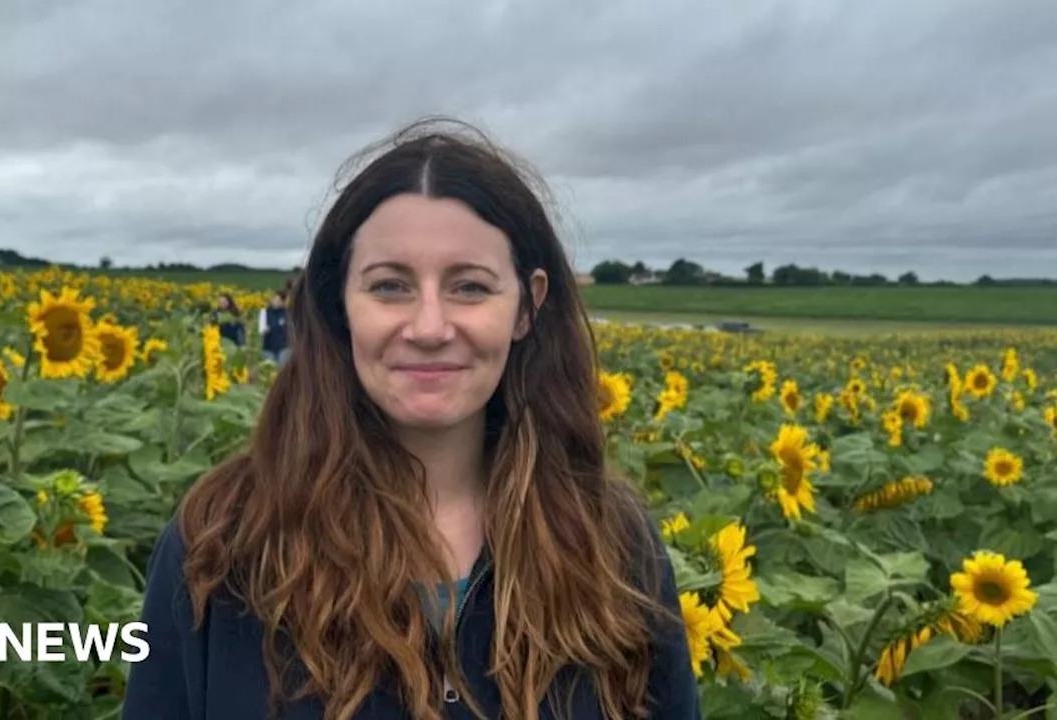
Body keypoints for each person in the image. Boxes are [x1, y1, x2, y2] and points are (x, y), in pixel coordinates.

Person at [122, 117, 700, 720]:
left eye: (470, 288)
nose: (428, 328)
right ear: (338, 302)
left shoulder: (611, 545)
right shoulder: (224, 541)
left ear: (527, 306)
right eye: (390, 285)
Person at [258, 289, 291, 366]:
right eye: (274, 299)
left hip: (284, 346)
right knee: (270, 369)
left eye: (278, 300)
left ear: (283, 302)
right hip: (268, 347)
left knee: (282, 367)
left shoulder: (288, 313)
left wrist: (271, 328)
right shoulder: (264, 312)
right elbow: (262, 330)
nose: (275, 302)